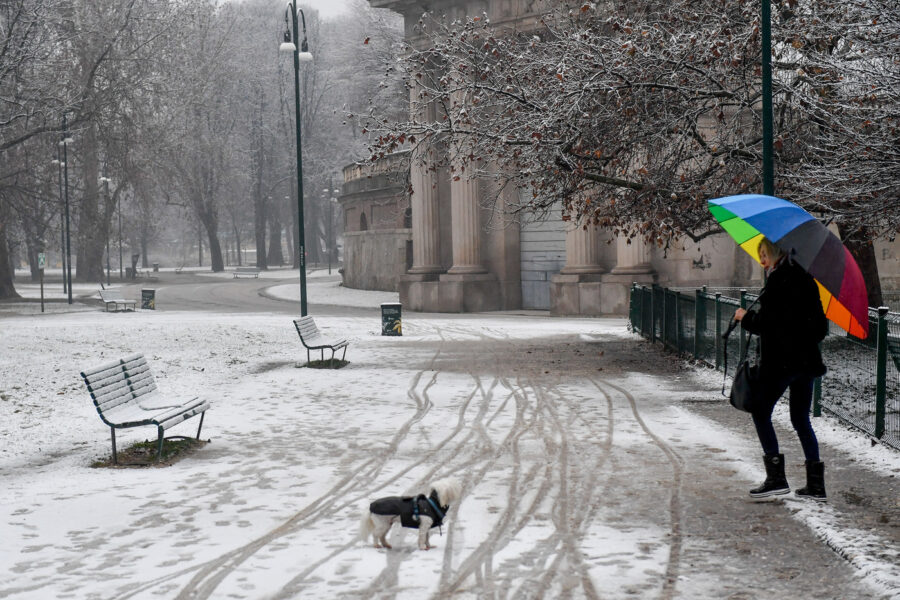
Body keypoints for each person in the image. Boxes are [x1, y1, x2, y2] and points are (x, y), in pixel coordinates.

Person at [733, 237, 829, 501]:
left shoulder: (778, 281)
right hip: (806, 363)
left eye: (764, 254)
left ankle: (776, 479)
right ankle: (816, 487)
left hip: (781, 364)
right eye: (759, 255)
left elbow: (769, 324)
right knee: (801, 419)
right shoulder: (807, 280)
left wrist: (745, 317)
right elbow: (821, 328)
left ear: (776, 252)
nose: (761, 260)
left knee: (760, 412)